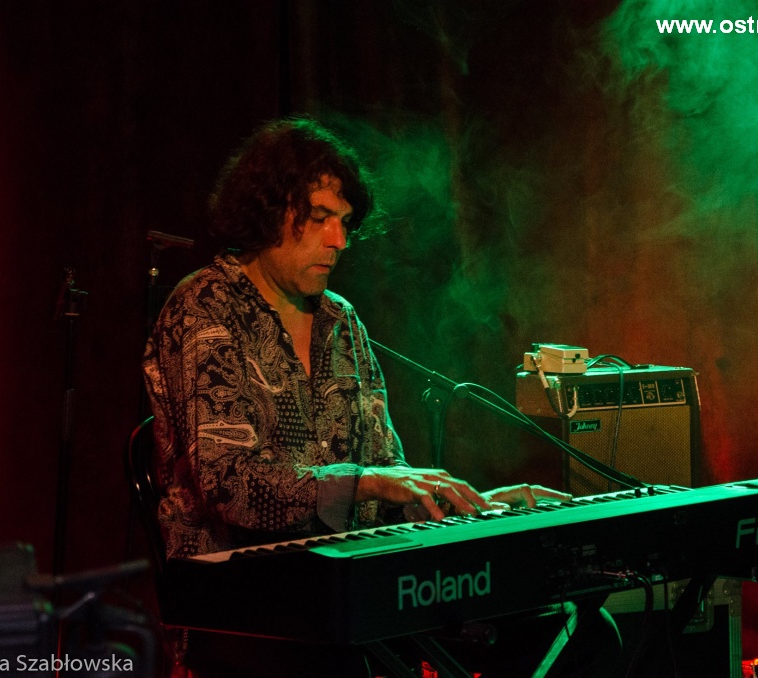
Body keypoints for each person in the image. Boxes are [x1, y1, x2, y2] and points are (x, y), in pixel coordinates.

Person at [143, 116, 617, 676]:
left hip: (353, 587)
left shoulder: (341, 322)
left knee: (579, 629)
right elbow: (229, 486)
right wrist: (366, 482)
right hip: (239, 601)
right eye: (320, 218)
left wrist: (477, 511)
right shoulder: (205, 308)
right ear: (267, 211)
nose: (339, 241)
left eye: (344, 223)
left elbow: (387, 475)